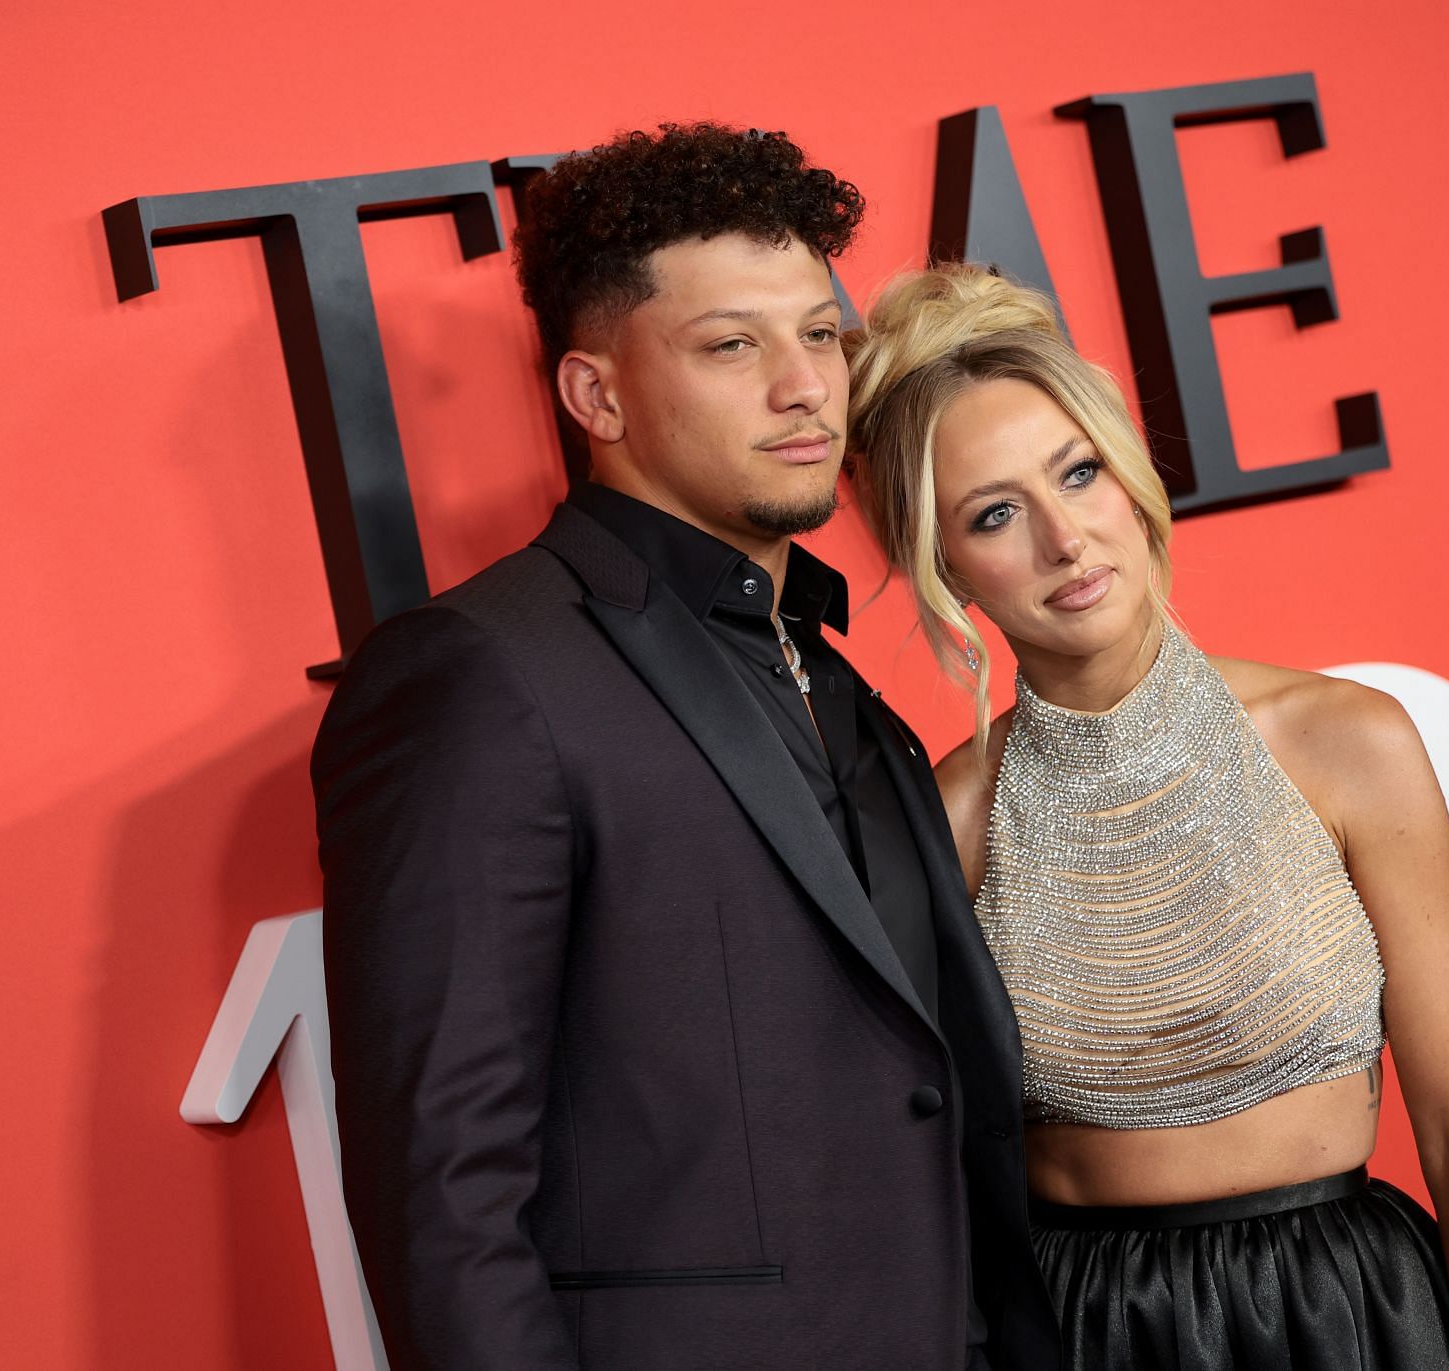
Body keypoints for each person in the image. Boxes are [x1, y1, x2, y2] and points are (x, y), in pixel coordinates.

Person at [311, 127, 1061, 1370]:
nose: (807, 386)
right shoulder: (480, 675)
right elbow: (441, 1190)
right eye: (732, 346)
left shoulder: (828, 662)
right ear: (595, 396)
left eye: (820, 334)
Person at [844, 264, 1449, 1369]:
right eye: (995, 515)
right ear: (945, 566)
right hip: (1089, 1333)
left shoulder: (1349, 742)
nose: (1066, 540)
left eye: (1077, 475)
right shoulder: (946, 820)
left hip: (1350, 1315)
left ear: (1129, 477)